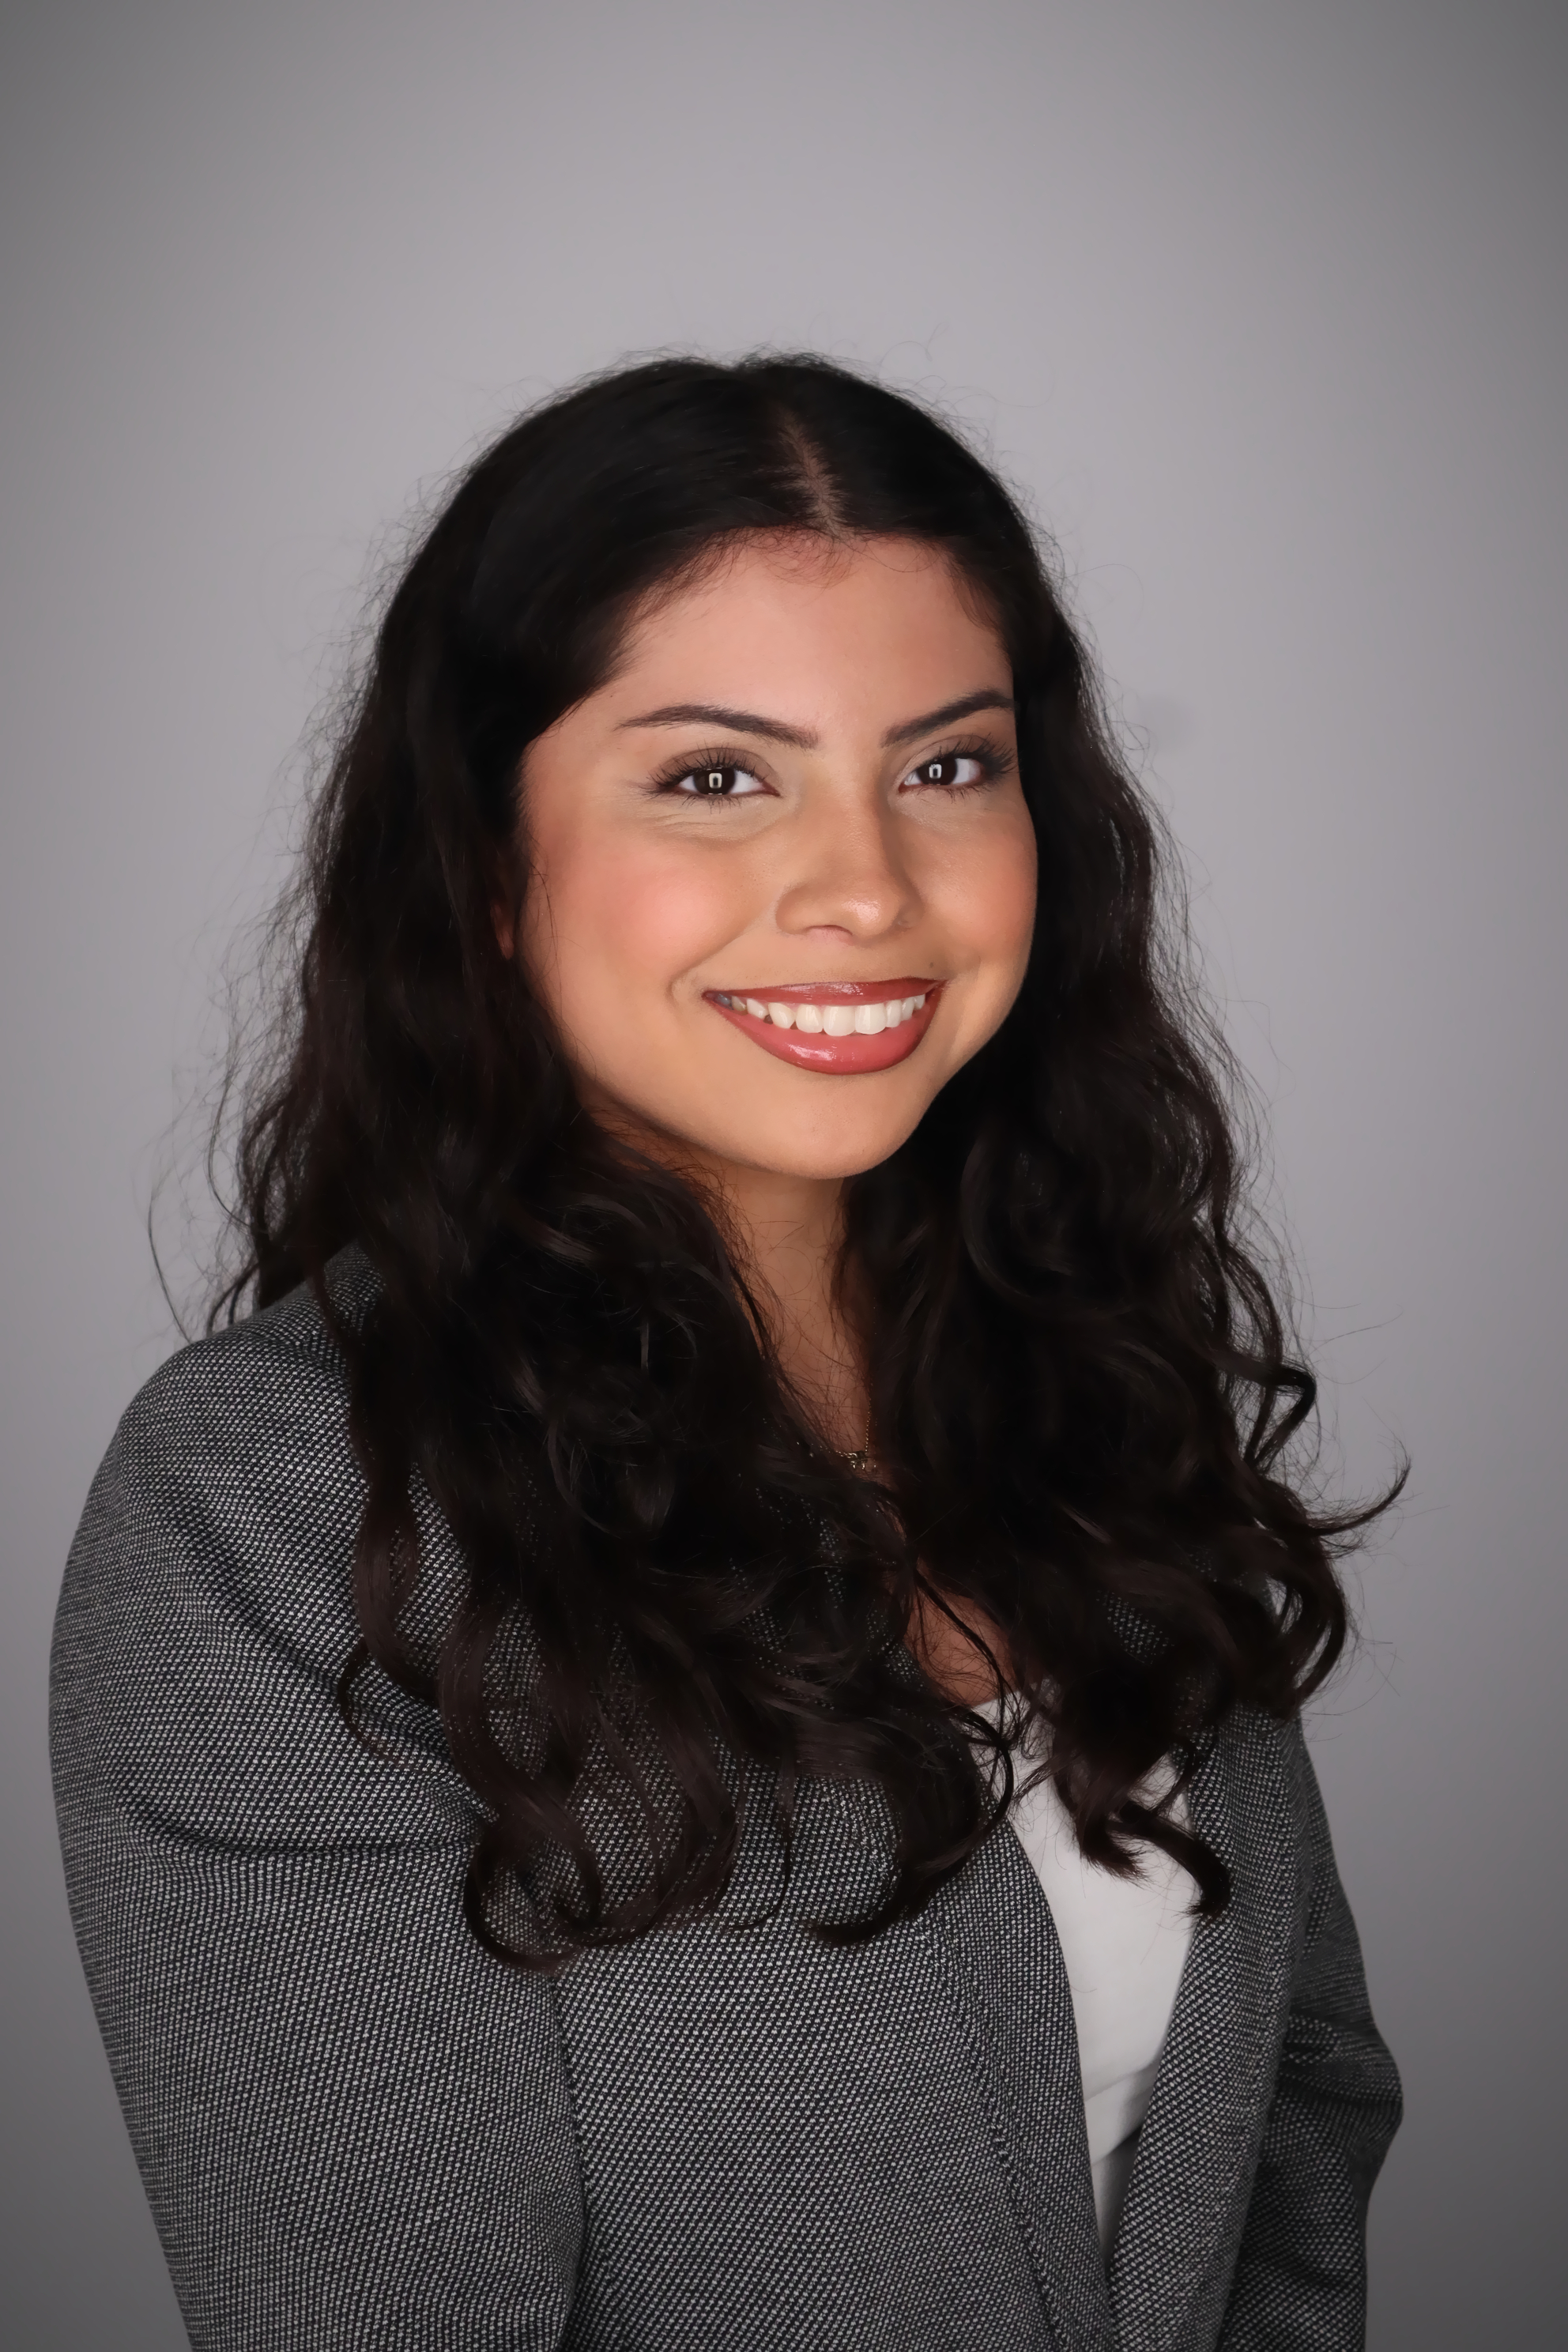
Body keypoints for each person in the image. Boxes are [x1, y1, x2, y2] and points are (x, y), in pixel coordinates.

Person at [51, 355, 1401, 2351]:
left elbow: (1294, 2126)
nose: (864, 887)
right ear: (484, 865)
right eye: (713, 777)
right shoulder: (277, 1511)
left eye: (945, 767)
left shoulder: (1080, 1374)